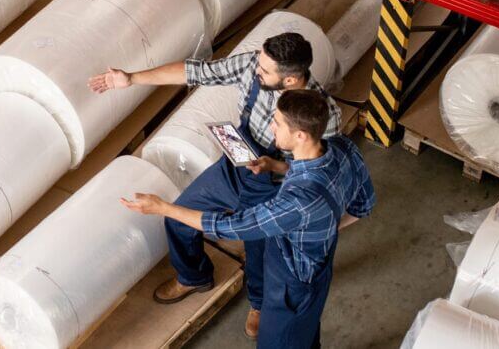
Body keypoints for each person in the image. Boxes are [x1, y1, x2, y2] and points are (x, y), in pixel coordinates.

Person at [88, 33, 343, 337]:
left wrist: (275, 166)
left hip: (276, 185)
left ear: (290, 81)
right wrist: (130, 79)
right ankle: (193, 276)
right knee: (180, 217)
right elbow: (196, 71)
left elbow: (317, 173)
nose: (255, 71)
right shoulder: (254, 64)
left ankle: (259, 303)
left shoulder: (322, 117)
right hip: (236, 164)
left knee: (260, 252)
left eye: (264, 71)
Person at [121, 90, 375, 347]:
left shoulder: (297, 203)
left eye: (277, 122)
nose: (271, 126)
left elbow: (230, 226)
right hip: (318, 270)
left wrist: (162, 207)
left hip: (292, 289)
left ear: (300, 135)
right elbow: (363, 205)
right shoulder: (343, 148)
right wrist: (279, 170)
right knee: (306, 335)